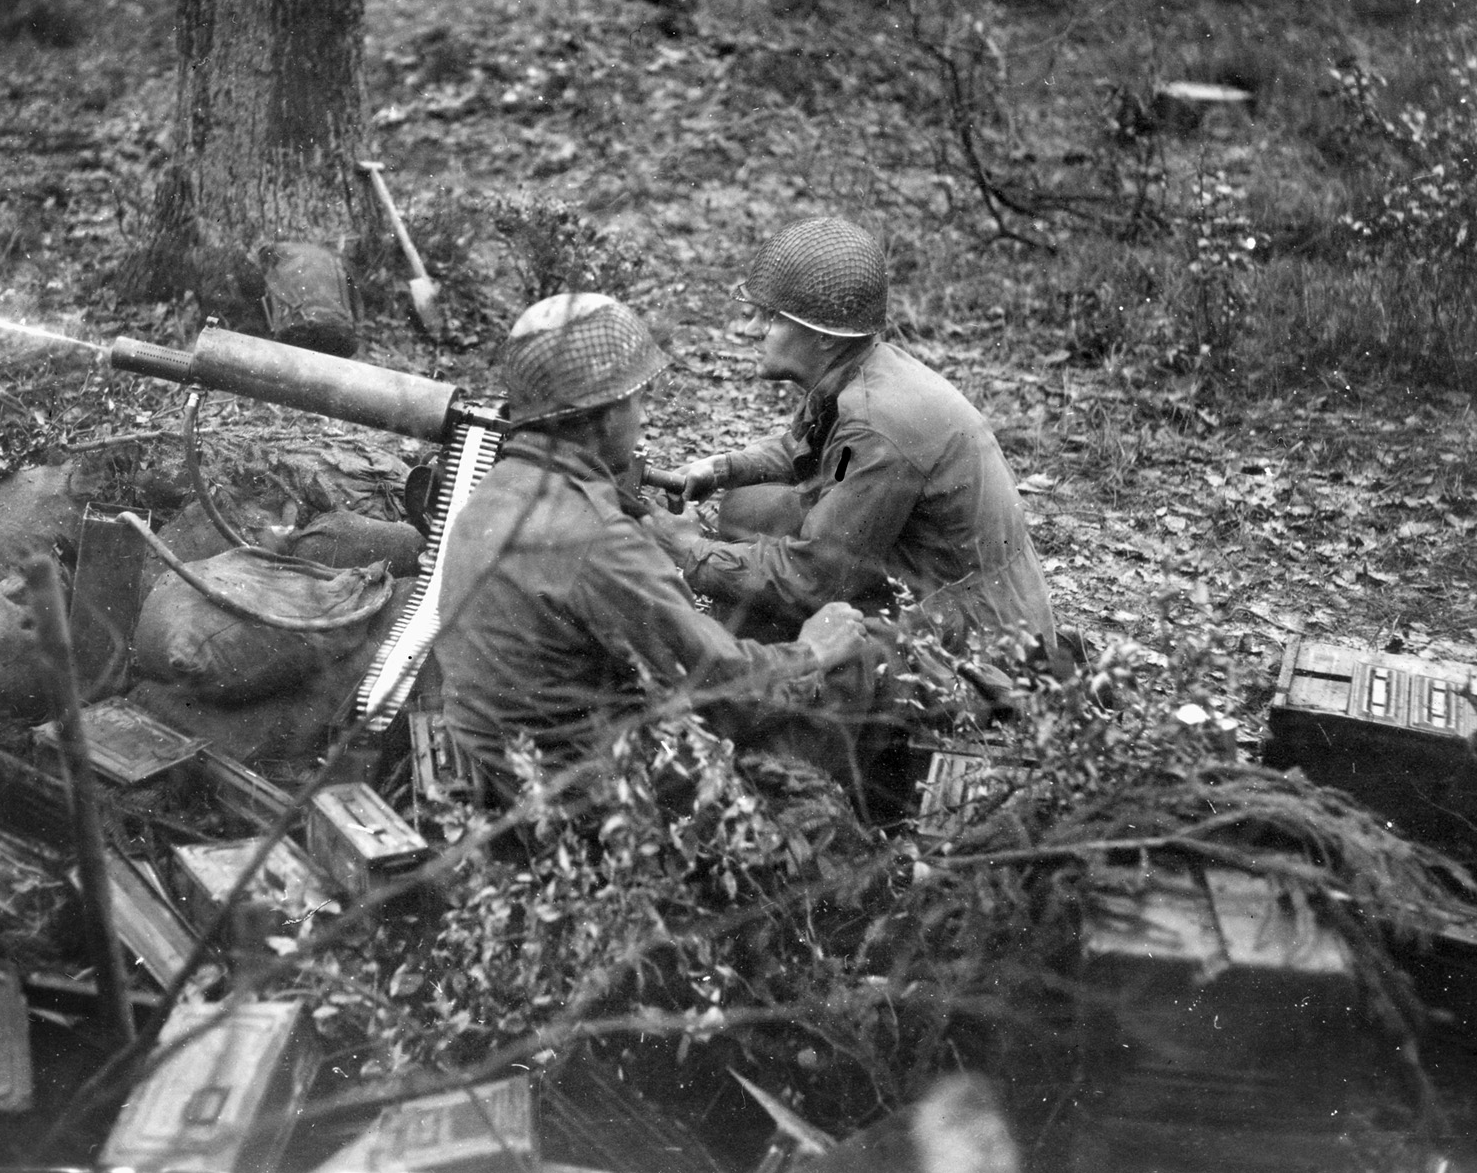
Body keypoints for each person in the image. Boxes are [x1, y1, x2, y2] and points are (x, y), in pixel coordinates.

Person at [434, 292, 867, 796]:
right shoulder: (600, 540)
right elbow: (723, 686)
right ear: (609, 415)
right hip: (582, 800)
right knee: (843, 697)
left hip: (498, 767)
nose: (641, 417)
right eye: (638, 400)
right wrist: (813, 651)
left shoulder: (494, 489)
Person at [645, 217, 1062, 666]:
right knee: (748, 509)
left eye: (768, 318)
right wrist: (723, 468)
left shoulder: (875, 424)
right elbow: (807, 448)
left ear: (823, 337)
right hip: (959, 606)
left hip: (983, 647)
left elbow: (813, 579)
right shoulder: (859, 374)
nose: (748, 330)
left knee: (772, 661)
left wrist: (690, 551)